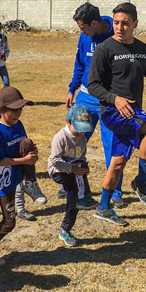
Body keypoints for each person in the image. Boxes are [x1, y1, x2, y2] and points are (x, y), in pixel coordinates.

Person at [88, 2, 146, 226]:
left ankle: (103, 207)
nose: (119, 28)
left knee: (118, 161)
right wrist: (115, 98)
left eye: (125, 23)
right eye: (116, 23)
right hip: (113, 111)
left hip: (133, 111)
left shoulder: (143, 49)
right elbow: (93, 85)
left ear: (135, 25)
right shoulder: (104, 49)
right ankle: (141, 181)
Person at [65, 2, 124, 209]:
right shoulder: (85, 36)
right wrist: (72, 88)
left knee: (112, 146)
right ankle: (69, 183)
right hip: (85, 97)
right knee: (74, 140)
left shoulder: (115, 36)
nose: (81, 31)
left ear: (94, 23)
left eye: (83, 27)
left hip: (109, 100)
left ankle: (115, 191)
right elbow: (80, 63)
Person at [0, 87, 46, 267]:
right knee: (9, 222)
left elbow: (22, 144)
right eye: (14, 110)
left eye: (20, 109)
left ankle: (31, 184)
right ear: (2, 110)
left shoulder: (18, 124)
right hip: (4, 180)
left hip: (17, 172)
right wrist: (25, 159)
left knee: (28, 142)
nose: (18, 113)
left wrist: (32, 153)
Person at [48, 104, 94, 246]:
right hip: (58, 171)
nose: (81, 133)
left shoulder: (83, 139)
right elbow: (55, 161)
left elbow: (82, 157)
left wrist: (83, 169)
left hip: (74, 173)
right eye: (79, 129)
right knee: (75, 195)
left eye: (84, 129)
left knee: (73, 201)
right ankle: (83, 197)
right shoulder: (60, 137)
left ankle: (65, 230)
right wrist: (73, 169)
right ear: (68, 122)